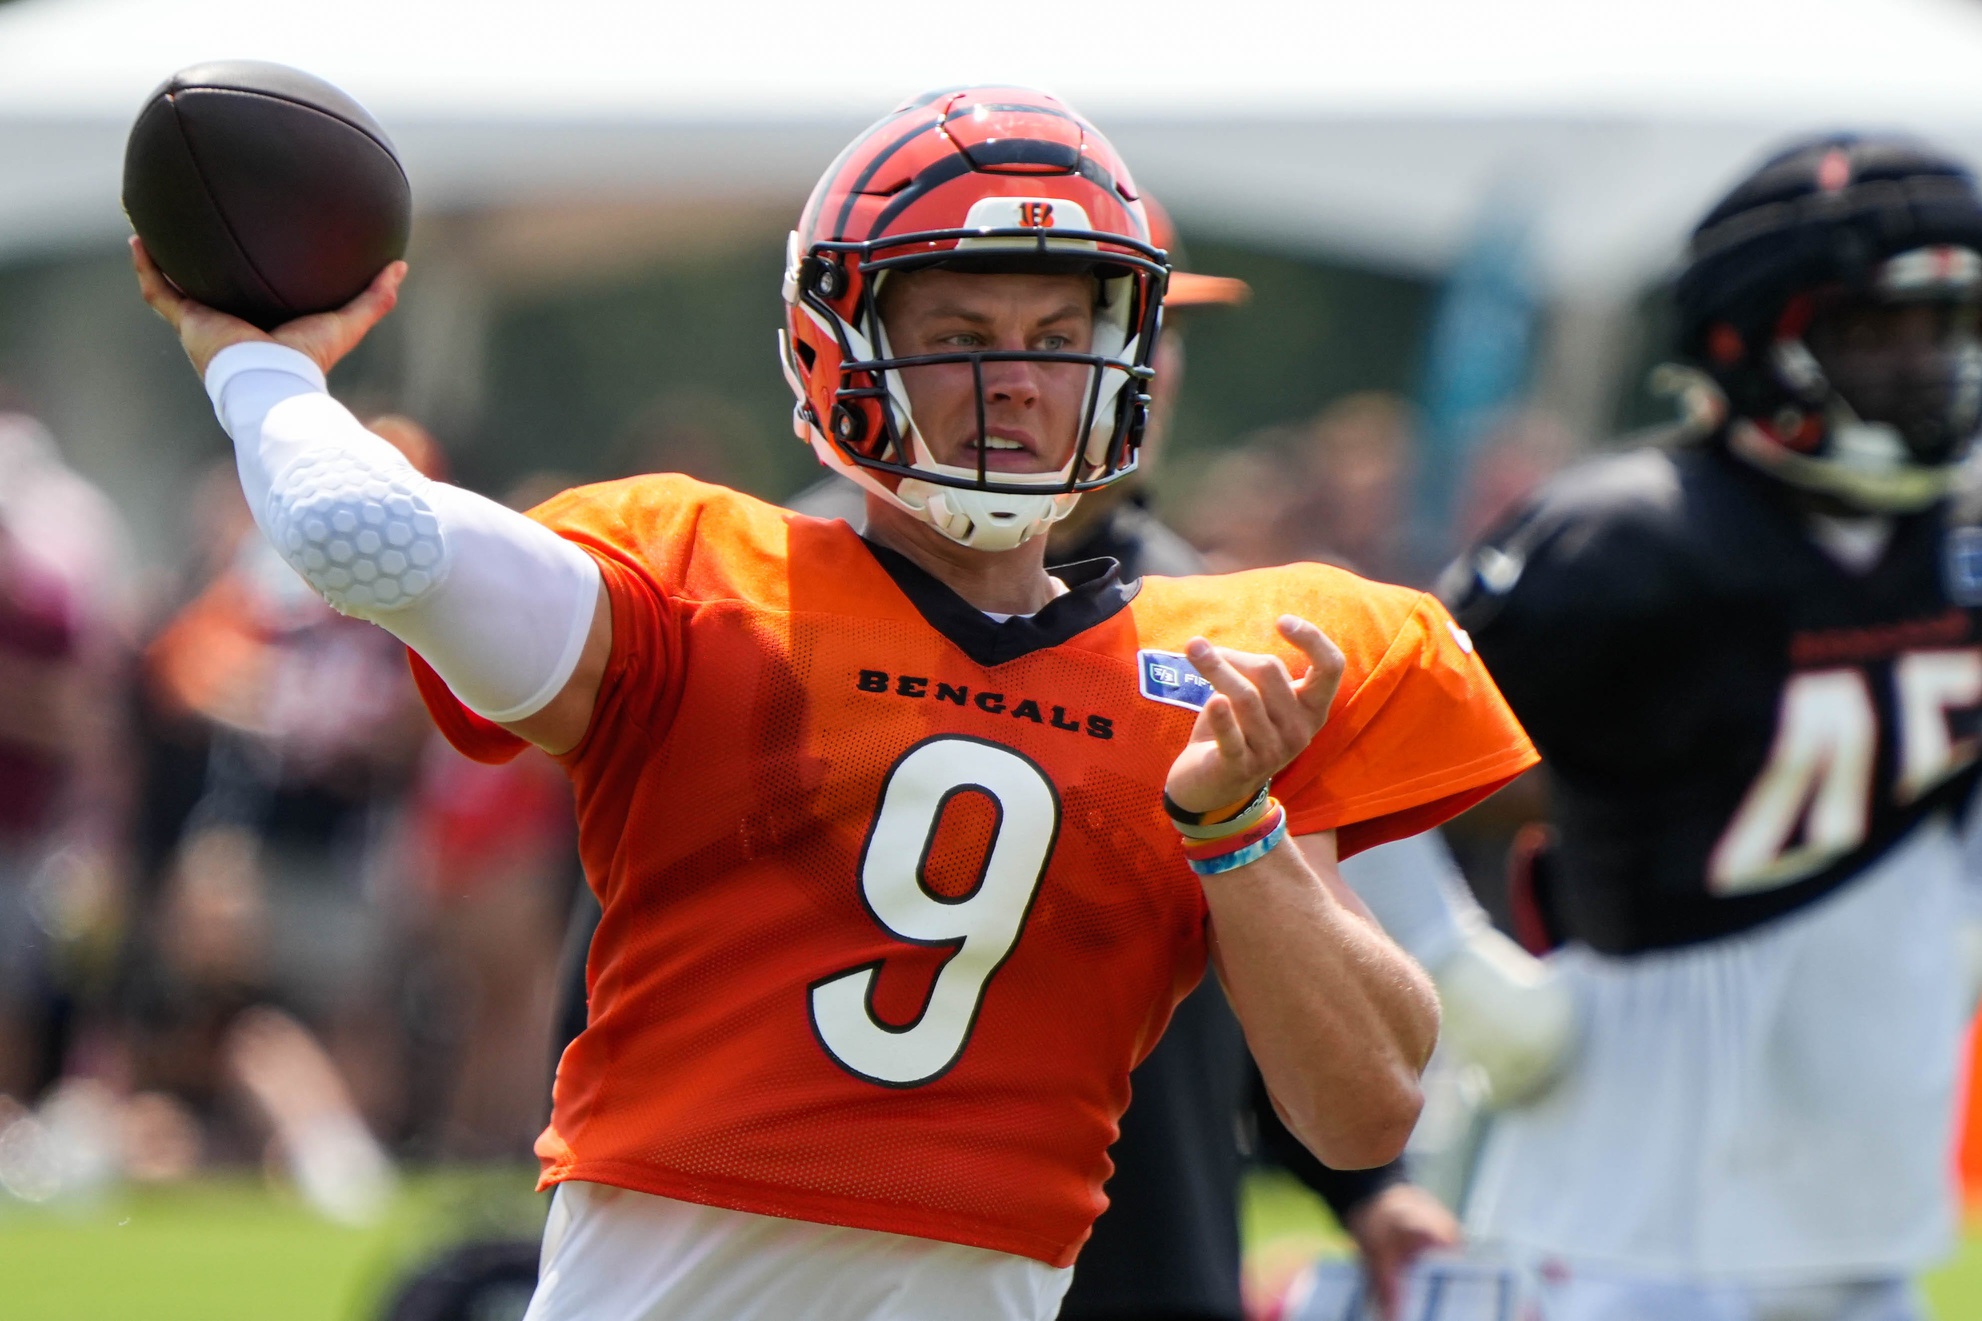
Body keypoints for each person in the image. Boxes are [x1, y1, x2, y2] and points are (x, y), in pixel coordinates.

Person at [133, 86, 1535, 1321]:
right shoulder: (701, 587)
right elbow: (366, 537)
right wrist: (260, 365)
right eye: (959, 331)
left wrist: (1235, 829)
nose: (1016, 380)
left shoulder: (1216, 657)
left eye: (1059, 330)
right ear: (838, 342)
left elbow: (1367, 1110)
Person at [1439, 134, 1982, 1320]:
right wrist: (1452, 971)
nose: (1924, 363)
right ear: (1755, 337)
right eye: (1878, 329)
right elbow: (1343, 776)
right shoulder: (1625, 539)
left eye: (1945, 327)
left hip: (1865, 1224)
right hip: (1622, 1214)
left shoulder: (1958, 548)